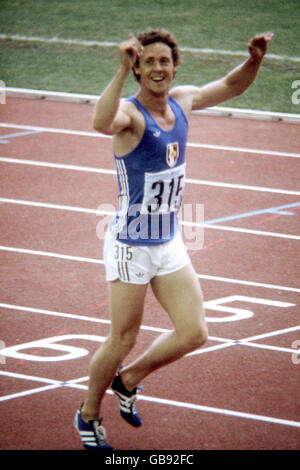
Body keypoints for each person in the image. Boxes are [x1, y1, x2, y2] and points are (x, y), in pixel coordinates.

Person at [73, 28, 273, 450]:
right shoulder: (129, 115)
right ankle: (88, 414)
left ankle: (128, 380)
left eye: (164, 61)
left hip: (168, 242)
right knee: (122, 338)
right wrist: (119, 69)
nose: (158, 69)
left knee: (194, 332)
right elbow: (100, 122)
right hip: (130, 246)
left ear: (175, 65)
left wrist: (253, 60)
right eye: (148, 62)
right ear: (138, 70)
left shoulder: (182, 101)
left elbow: (231, 86)